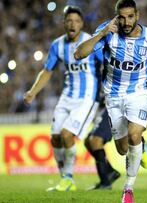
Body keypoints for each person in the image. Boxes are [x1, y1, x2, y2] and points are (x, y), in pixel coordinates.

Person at [74, 0, 147, 202]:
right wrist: (103, 33)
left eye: (130, 16)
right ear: (116, 16)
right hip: (113, 97)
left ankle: (128, 189)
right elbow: (79, 53)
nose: (126, 21)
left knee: (133, 136)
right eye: (121, 17)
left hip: (139, 94)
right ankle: (140, 144)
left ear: (137, 15)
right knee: (122, 149)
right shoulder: (108, 33)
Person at [23, 6, 103, 191]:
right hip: (67, 96)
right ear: (64, 23)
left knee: (67, 135)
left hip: (87, 98)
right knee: (56, 138)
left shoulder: (90, 42)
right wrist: (33, 91)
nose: (72, 24)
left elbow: (106, 63)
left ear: (82, 24)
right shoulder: (57, 45)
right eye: (69, 20)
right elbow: (47, 71)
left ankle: (68, 178)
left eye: (76, 21)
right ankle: (65, 179)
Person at [85, 101, 147, 190]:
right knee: (88, 142)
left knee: (95, 141)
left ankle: (105, 182)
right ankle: (110, 173)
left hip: (116, 103)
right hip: (107, 105)